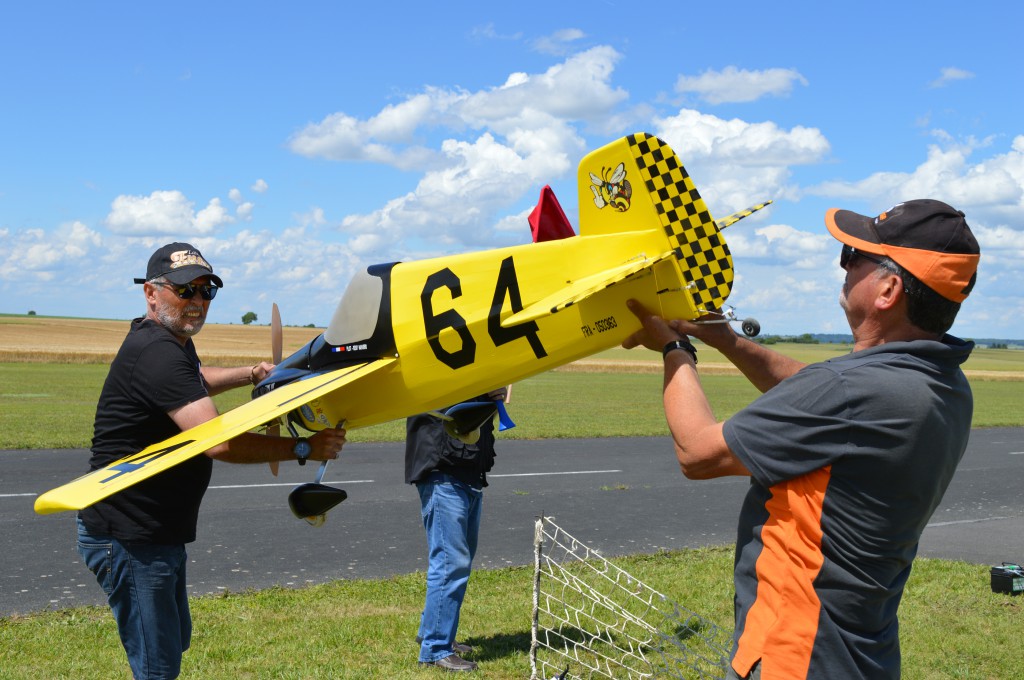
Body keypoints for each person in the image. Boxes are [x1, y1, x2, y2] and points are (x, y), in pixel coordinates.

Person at [621, 200, 980, 680]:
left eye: (855, 257)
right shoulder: (938, 383)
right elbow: (817, 393)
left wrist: (674, 348)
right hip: (860, 654)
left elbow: (699, 453)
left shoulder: (851, 390)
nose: (845, 266)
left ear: (889, 290)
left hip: (795, 653)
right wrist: (727, 340)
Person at [76, 242, 348, 680]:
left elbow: (193, 381)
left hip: (154, 531)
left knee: (171, 642)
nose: (198, 302)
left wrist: (250, 374)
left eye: (206, 291)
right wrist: (303, 448)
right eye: (185, 291)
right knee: (157, 664)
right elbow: (216, 443)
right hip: (129, 534)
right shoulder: (158, 352)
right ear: (151, 292)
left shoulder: (169, 342)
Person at [405, 388, 507, 672]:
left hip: (469, 474)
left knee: (459, 560)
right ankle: (436, 649)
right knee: (450, 563)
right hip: (443, 473)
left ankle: (432, 632)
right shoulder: (442, 368)